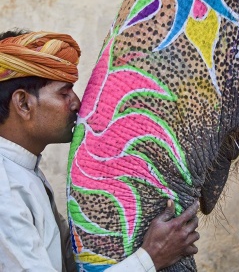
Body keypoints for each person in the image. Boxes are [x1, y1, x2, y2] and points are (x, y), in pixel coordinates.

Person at [0, 29, 200, 271]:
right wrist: (151, 257)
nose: (76, 103)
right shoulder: (5, 192)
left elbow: (65, 258)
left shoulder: (24, 171)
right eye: (64, 93)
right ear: (23, 103)